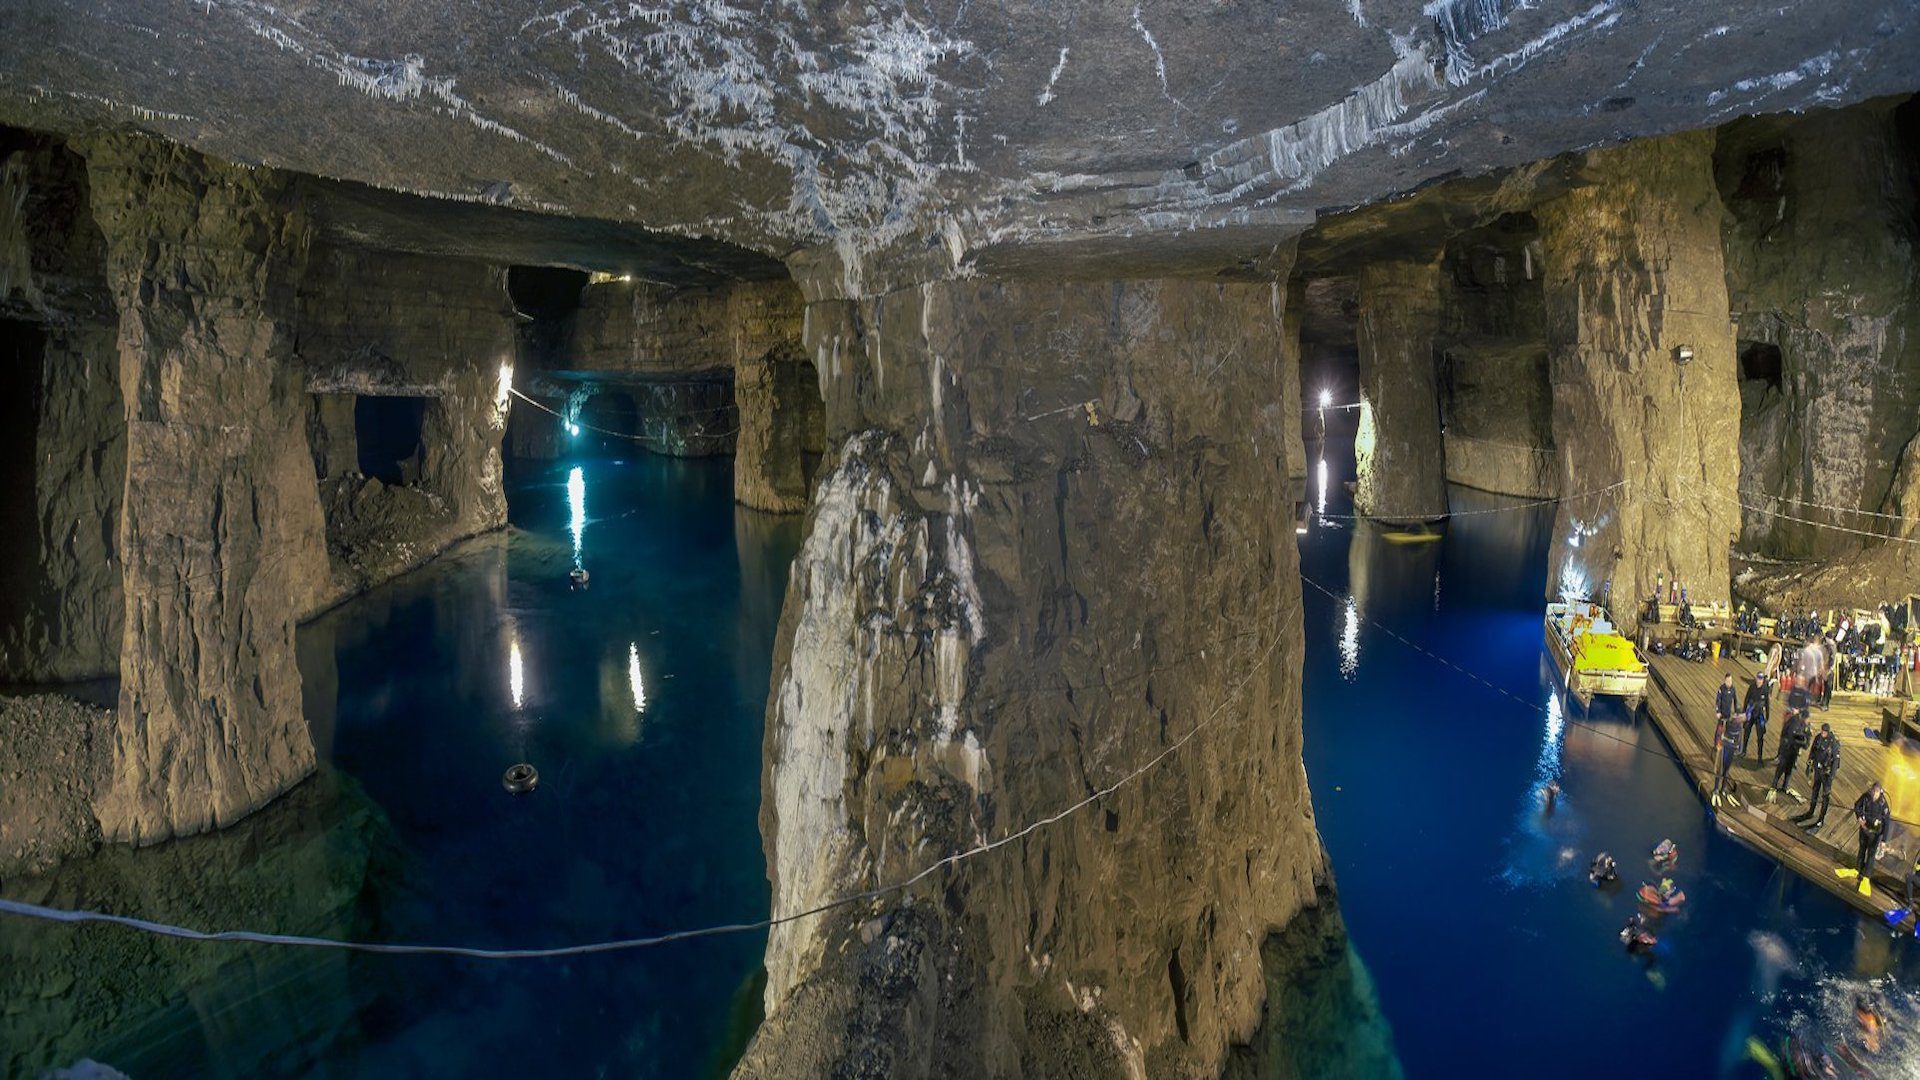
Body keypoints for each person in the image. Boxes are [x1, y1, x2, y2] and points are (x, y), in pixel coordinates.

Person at [1838, 782, 1890, 895]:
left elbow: (1887, 822)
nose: (1874, 794)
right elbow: (1857, 805)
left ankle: (1866, 877)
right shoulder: (1866, 796)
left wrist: (1884, 840)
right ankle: (1857, 870)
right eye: (1873, 791)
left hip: (1875, 833)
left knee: (1871, 855)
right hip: (1864, 829)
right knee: (1861, 850)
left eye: (1876, 792)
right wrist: (1859, 819)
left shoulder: (1883, 804)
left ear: (1880, 792)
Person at [1795, 723, 1839, 829]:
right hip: (1818, 770)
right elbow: (1813, 752)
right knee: (1815, 790)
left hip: (1827, 773)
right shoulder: (1818, 738)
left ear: (1828, 732)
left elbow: (1836, 761)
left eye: (1825, 732)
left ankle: (1821, 819)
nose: (1823, 733)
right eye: (1822, 731)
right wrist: (1809, 765)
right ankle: (1811, 811)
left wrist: (1832, 776)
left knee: (1825, 796)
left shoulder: (1833, 743)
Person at [1771, 707, 1810, 800]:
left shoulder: (1806, 727)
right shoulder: (1793, 721)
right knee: (1781, 768)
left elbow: (1806, 744)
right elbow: (1786, 733)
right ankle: (1774, 786)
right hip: (1787, 749)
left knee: (1789, 770)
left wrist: (1801, 742)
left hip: (1794, 751)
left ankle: (1785, 786)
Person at [1713, 704, 1745, 806]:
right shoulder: (1726, 722)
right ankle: (1716, 789)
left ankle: (1723, 788)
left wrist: (1739, 749)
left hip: (1731, 749)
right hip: (1724, 747)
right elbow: (1719, 732)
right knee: (1719, 769)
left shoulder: (1739, 727)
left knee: (1726, 770)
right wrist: (1717, 744)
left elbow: (1740, 738)